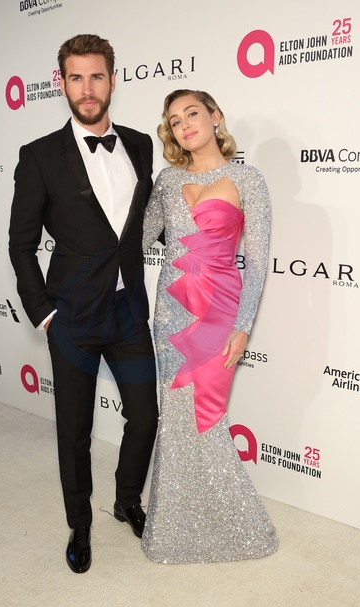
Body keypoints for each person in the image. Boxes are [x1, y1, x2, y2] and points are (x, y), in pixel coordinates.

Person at [8, 34, 159, 574]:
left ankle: (127, 500)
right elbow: (21, 244)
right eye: (76, 78)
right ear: (62, 84)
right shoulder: (39, 155)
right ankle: (80, 523)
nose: (87, 89)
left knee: (146, 416)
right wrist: (45, 313)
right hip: (71, 315)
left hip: (128, 310)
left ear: (113, 80)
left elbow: (143, 224)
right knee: (73, 430)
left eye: (96, 76)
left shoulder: (140, 144)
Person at [141, 89, 279, 563]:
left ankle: (238, 530)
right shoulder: (167, 180)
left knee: (207, 418)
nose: (184, 125)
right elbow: (138, 239)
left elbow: (257, 263)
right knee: (175, 418)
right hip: (170, 310)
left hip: (219, 312)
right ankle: (172, 529)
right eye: (175, 120)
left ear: (215, 116)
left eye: (192, 113)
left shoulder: (247, 179)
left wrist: (243, 325)